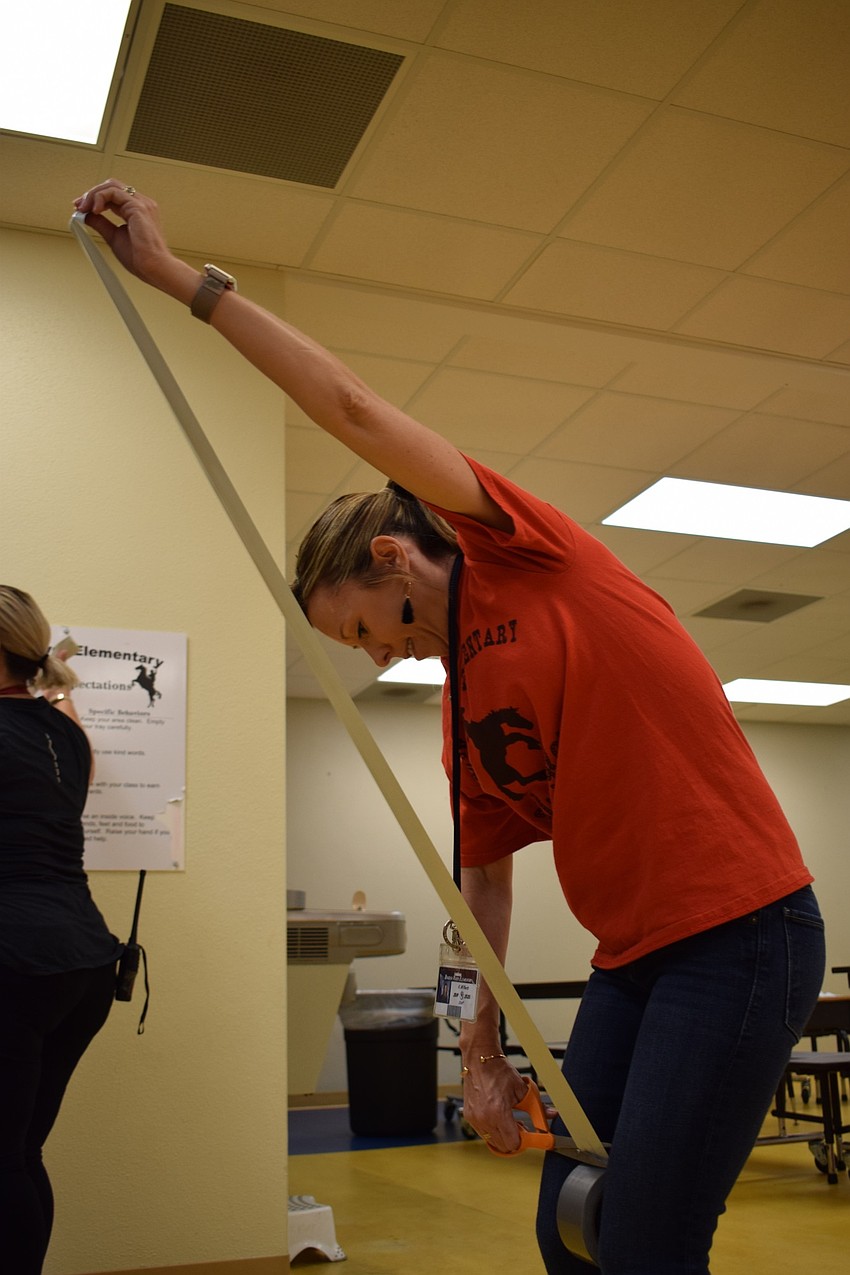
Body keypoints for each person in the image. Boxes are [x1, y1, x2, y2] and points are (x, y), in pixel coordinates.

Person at [73, 180, 826, 1274]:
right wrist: (477, 1053)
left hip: (741, 934)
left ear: (391, 557)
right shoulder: (466, 713)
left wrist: (180, 280)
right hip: (632, 959)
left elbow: (356, 411)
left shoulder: (528, 551)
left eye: (370, 630)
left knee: (651, 1238)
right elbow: (483, 893)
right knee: (571, 1229)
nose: (381, 656)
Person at [0, 587, 123, 1275]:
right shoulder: (68, 732)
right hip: (83, 966)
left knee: (3, 1157)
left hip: (17, 961)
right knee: (21, 1151)